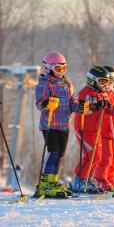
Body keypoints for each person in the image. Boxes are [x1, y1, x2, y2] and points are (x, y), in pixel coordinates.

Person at [34, 51, 79, 198]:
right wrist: (47, 103)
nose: (61, 72)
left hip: (64, 125)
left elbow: (73, 103)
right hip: (50, 124)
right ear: (48, 68)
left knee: (60, 154)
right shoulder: (44, 84)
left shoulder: (66, 84)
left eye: (64, 69)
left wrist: (82, 107)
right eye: (58, 69)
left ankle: (53, 180)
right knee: (53, 152)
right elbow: (40, 103)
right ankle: (46, 182)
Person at [72, 66, 113, 193]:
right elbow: (81, 107)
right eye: (102, 81)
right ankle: (79, 180)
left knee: (98, 156)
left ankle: (87, 179)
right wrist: (95, 106)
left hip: (96, 130)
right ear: (92, 80)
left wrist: (110, 107)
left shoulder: (102, 95)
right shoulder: (85, 93)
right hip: (84, 128)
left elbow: (106, 110)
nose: (105, 85)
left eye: (106, 82)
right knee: (91, 155)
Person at [94, 66, 114, 191]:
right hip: (105, 131)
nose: (110, 83)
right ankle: (101, 180)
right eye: (108, 80)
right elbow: (99, 110)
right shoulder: (102, 94)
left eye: (112, 80)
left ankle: (111, 180)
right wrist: (108, 109)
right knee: (106, 157)